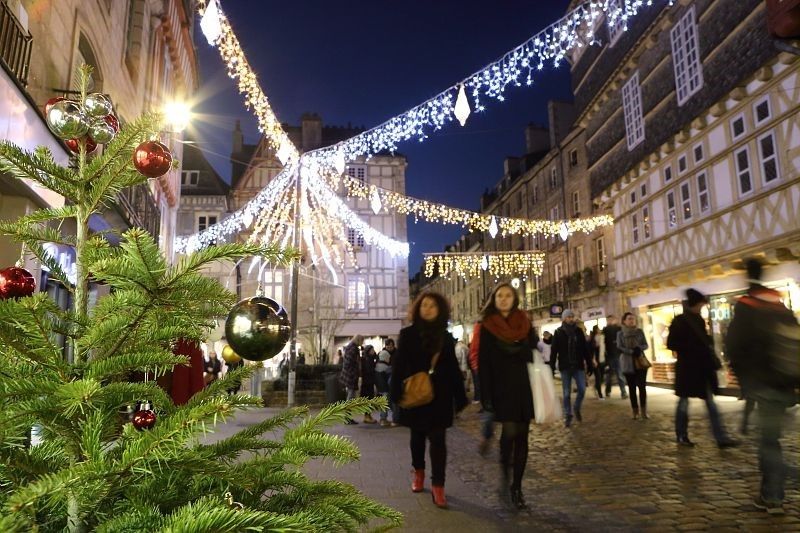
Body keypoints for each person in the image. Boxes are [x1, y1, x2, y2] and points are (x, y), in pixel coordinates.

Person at [726, 259, 798, 515]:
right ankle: (770, 492)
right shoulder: (780, 306)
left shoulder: (746, 306)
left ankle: (773, 497)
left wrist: (743, 377)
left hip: (762, 383)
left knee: (769, 442)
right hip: (785, 382)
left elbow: (733, 345)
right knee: (772, 439)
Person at [390, 292, 468, 509]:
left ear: (439, 309)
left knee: (438, 441)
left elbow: (452, 368)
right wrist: (394, 392)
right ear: (418, 308)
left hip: (440, 395)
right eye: (424, 305)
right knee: (417, 437)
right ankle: (418, 472)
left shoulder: (445, 336)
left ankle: (439, 485)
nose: (428, 309)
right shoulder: (407, 334)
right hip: (416, 393)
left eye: (432, 305)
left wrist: (459, 397)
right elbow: (399, 365)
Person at [476, 283, 537, 510]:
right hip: (501, 387)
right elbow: (483, 363)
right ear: (494, 299)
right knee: (510, 432)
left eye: (508, 295)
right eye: (499, 295)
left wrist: (525, 349)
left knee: (523, 436)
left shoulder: (524, 321)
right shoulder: (488, 325)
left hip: (523, 385)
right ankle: (505, 472)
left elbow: (533, 351)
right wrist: (485, 395)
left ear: (515, 298)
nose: (503, 299)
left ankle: (517, 487)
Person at [667, 289, 738, 448]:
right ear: (696, 304)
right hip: (687, 369)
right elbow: (672, 343)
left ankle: (720, 437)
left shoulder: (698, 320)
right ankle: (682, 435)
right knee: (684, 404)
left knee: (710, 404)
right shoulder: (680, 321)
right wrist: (692, 347)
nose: (702, 307)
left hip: (701, 370)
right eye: (701, 305)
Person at [550, 309, 593, 427]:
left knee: (582, 389)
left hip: (578, 365)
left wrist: (589, 364)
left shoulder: (578, 331)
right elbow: (554, 351)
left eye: (572, 317)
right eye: (568, 317)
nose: (571, 318)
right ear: (564, 318)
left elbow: (585, 350)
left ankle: (576, 407)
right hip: (565, 366)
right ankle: (568, 414)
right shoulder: (558, 332)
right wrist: (551, 367)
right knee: (566, 393)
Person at [617, 312, 649, 419]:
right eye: (629, 319)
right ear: (624, 321)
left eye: (633, 319)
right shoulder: (620, 334)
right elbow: (619, 346)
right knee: (631, 388)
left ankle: (644, 411)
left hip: (640, 362)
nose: (632, 321)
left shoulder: (639, 332)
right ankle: (635, 411)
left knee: (642, 387)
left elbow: (646, 345)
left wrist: (639, 348)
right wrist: (631, 351)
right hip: (627, 363)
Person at [339, 335, 363, 425]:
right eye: (361, 341)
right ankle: (347, 417)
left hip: (348, 375)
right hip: (351, 376)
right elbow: (349, 362)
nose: (362, 343)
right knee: (350, 397)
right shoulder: (353, 348)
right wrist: (356, 367)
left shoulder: (350, 347)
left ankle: (347, 417)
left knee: (350, 396)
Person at [602, 315, 627, 398]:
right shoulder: (606, 330)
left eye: (611, 319)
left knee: (617, 374)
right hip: (611, 355)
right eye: (609, 320)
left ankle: (622, 392)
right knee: (612, 374)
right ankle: (610, 391)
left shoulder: (617, 329)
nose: (610, 321)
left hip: (616, 355)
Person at [375, 338, 395, 427]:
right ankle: (385, 419)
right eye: (388, 345)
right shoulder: (386, 367)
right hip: (386, 386)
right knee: (387, 401)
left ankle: (384, 419)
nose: (389, 347)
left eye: (391, 345)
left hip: (382, 387)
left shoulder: (378, 365)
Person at [360, 345, 378, 424]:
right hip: (367, 383)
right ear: (368, 351)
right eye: (372, 350)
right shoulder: (368, 360)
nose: (373, 351)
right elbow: (369, 371)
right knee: (368, 400)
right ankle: (367, 416)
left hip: (368, 382)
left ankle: (368, 416)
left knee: (369, 400)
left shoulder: (369, 358)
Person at [589, 325, 605, 399]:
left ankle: (596, 388)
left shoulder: (602, 338)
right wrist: (593, 360)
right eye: (598, 329)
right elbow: (592, 352)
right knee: (598, 377)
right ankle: (600, 394)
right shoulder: (592, 340)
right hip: (595, 361)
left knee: (601, 377)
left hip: (601, 360)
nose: (599, 330)